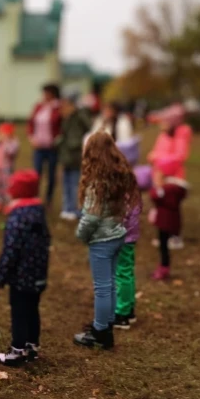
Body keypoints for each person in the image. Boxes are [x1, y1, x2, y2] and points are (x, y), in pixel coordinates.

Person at [72, 132, 140, 350]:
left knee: (102, 287)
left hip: (102, 239)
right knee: (109, 284)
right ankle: (107, 324)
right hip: (118, 234)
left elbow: (91, 217)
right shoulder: (120, 176)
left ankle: (100, 331)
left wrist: (81, 235)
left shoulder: (97, 183)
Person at [0, 169, 50, 366]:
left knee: (19, 312)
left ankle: (17, 351)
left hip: (21, 276)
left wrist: (1, 276)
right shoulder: (38, 213)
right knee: (32, 309)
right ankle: (32, 346)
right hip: (37, 274)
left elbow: (11, 249)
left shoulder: (17, 217)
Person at [147, 104, 192, 249]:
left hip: (173, 179)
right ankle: (164, 236)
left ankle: (175, 236)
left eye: (165, 121)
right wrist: (154, 157)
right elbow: (157, 151)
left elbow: (179, 156)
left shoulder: (181, 135)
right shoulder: (163, 135)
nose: (161, 124)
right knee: (162, 210)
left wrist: (159, 161)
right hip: (159, 176)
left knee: (172, 210)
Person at [148, 159, 188, 281]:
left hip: (166, 223)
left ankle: (164, 268)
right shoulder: (172, 189)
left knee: (164, 247)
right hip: (165, 222)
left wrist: (158, 188)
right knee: (163, 246)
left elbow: (157, 197)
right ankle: (163, 267)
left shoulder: (170, 190)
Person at [27, 84, 63, 207]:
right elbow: (31, 123)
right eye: (44, 93)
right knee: (37, 173)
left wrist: (56, 140)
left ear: (53, 94)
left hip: (52, 148)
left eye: (47, 93)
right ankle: (35, 197)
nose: (44, 96)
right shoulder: (38, 107)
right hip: (38, 147)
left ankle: (49, 199)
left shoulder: (58, 108)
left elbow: (62, 127)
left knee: (52, 175)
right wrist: (31, 138)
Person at [57, 96, 92, 220]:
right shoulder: (66, 119)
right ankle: (67, 208)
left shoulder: (80, 116)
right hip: (66, 155)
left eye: (66, 105)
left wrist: (78, 111)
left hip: (76, 156)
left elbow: (89, 127)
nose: (63, 109)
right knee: (66, 183)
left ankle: (78, 210)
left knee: (76, 184)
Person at [113, 198, 142, 330]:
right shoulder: (133, 189)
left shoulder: (122, 191)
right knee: (127, 271)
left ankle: (121, 314)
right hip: (131, 235)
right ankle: (129, 309)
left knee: (122, 273)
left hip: (123, 237)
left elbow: (121, 216)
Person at [0, 123, 19, 214]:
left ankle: (8, 203)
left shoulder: (13, 142)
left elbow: (11, 152)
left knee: (7, 187)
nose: (1, 135)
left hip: (7, 169)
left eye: (3, 133)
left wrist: (6, 141)